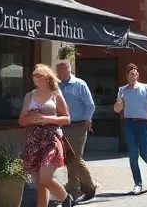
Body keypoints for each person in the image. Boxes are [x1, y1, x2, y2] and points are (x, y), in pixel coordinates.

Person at [19, 65, 75, 207]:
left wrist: (47, 119)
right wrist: (30, 119)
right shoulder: (29, 96)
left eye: (38, 75)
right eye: (34, 75)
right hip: (34, 139)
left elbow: (67, 118)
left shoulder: (56, 94)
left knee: (45, 176)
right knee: (40, 181)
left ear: (47, 77)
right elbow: (21, 121)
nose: (35, 78)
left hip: (51, 138)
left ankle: (66, 198)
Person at [112, 64, 147, 194]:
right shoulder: (122, 90)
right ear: (127, 76)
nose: (132, 76)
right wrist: (118, 103)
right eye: (130, 74)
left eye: (134, 74)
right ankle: (137, 184)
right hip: (129, 124)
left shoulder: (145, 88)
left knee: (145, 152)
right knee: (133, 155)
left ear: (137, 75)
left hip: (143, 124)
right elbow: (117, 110)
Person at [56, 60, 97, 202]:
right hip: (63, 127)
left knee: (76, 158)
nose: (58, 74)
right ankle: (74, 190)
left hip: (78, 126)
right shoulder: (58, 86)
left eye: (60, 70)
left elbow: (90, 105)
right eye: (57, 71)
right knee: (69, 159)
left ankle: (90, 186)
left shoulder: (79, 84)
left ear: (67, 69)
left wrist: (87, 120)